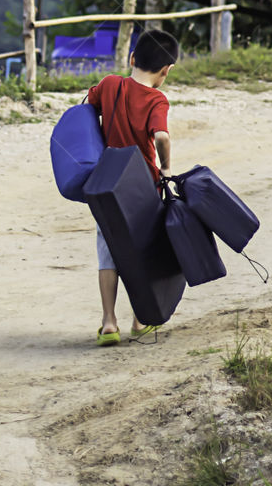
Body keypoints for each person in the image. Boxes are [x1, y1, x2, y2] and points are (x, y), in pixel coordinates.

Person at [86, 27, 178, 345]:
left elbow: (87, 104)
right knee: (142, 253)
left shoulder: (111, 84)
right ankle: (141, 320)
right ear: (166, 70)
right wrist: (166, 167)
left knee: (107, 254)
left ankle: (109, 322)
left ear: (132, 58)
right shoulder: (157, 100)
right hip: (143, 189)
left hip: (106, 187)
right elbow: (161, 136)